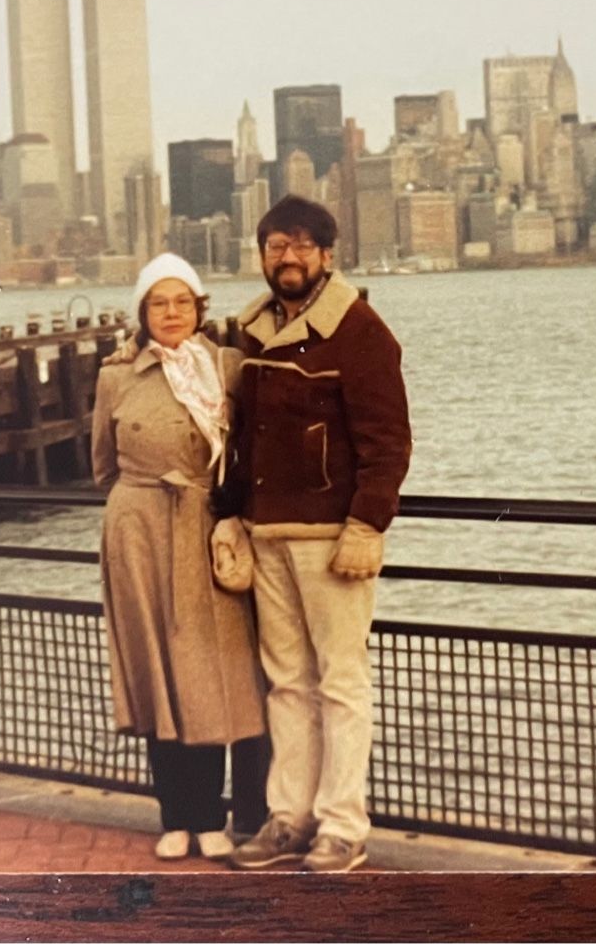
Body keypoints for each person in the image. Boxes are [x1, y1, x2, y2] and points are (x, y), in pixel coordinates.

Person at [218, 196, 412, 874]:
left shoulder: (361, 332)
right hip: (266, 533)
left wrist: (367, 523)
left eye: (301, 245)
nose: (287, 257)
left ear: (327, 254)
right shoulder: (252, 333)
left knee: (341, 683)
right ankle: (288, 817)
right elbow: (241, 438)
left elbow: (389, 443)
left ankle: (342, 824)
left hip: (332, 538)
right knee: (287, 685)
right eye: (275, 245)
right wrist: (229, 514)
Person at [93, 252, 270, 860]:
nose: (171, 313)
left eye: (182, 302)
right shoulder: (115, 376)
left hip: (205, 530)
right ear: (142, 314)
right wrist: (136, 512)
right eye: (158, 303)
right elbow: (101, 464)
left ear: (200, 309)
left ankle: (212, 817)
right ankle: (174, 816)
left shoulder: (228, 368)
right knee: (157, 673)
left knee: (209, 674)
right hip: (138, 534)